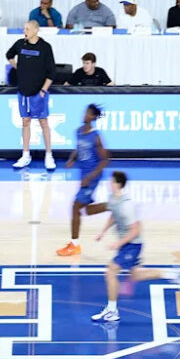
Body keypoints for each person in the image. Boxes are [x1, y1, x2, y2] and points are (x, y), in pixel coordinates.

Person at [87, 171, 180, 322]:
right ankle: (170, 274)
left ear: (118, 184)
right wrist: (102, 231)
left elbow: (136, 229)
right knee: (136, 275)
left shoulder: (127, 206)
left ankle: (112, 311)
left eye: (112, 182)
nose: (109, 184)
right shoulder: (113, 198)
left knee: (111, 271)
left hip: (132, 245)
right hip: (126, 244)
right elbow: (113, 215)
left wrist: (118, 243)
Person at [56, 104, 110, 257]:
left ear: (93, 117)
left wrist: (90, 177)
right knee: (83, 209)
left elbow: (105, 160)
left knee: (75, 207)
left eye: (88, 113)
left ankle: (74, 245)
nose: (84, 115)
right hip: (83, 175)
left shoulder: (96, 137)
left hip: (92, 176)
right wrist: (72, 159)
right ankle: (111, 205)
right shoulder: (79, 131)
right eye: (85, 112)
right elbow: (78, 149)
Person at [7, 21, 57, 170]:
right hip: (23, 90)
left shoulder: (45, 47)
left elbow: (52, 72)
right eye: (24, 29)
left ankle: (49, 155)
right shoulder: (20, 44)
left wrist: (43, 91)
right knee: (25, 121)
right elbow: (9, 55)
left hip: (39, 92)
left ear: (36, 30)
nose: (25, 31)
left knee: (43, 122)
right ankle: (25, 154)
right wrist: (18, 67)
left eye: (27, 29)